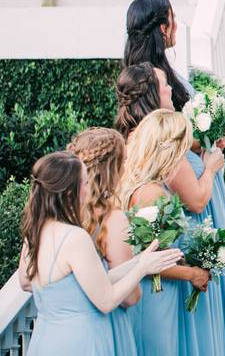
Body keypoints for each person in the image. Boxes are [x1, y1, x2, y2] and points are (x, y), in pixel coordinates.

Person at [123, 0, 225, 353]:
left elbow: (184, 131)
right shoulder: (154, 76)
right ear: (163, 27)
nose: (176, 26)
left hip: (195, 166)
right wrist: (207, 155)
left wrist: (214, 136)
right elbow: (171, 134)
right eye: (173, 19)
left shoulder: (157, 70)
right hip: (190, 178)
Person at [18, 151, 180, 355]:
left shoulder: (35, 232)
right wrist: (142, 269)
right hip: (80, 343)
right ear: (70, 192)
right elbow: (107, 301)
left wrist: (140, 260)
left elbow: (90, 281)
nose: (88, 189)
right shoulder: (74, 237)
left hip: (47, 341)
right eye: (85, 183)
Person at [118, 109, 212, 356]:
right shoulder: (151, 193)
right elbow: (147, 261)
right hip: (155, 296)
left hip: (161, 290)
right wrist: (193, 273)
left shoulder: (144, 184)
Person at [66, 128, 140, 355]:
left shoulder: (55, 211)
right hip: (103, 329)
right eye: (124, 161)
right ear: (111, 168)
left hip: (59, 330)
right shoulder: (112, 219)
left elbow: (27, 281)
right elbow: (129, 297)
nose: (127, 168)